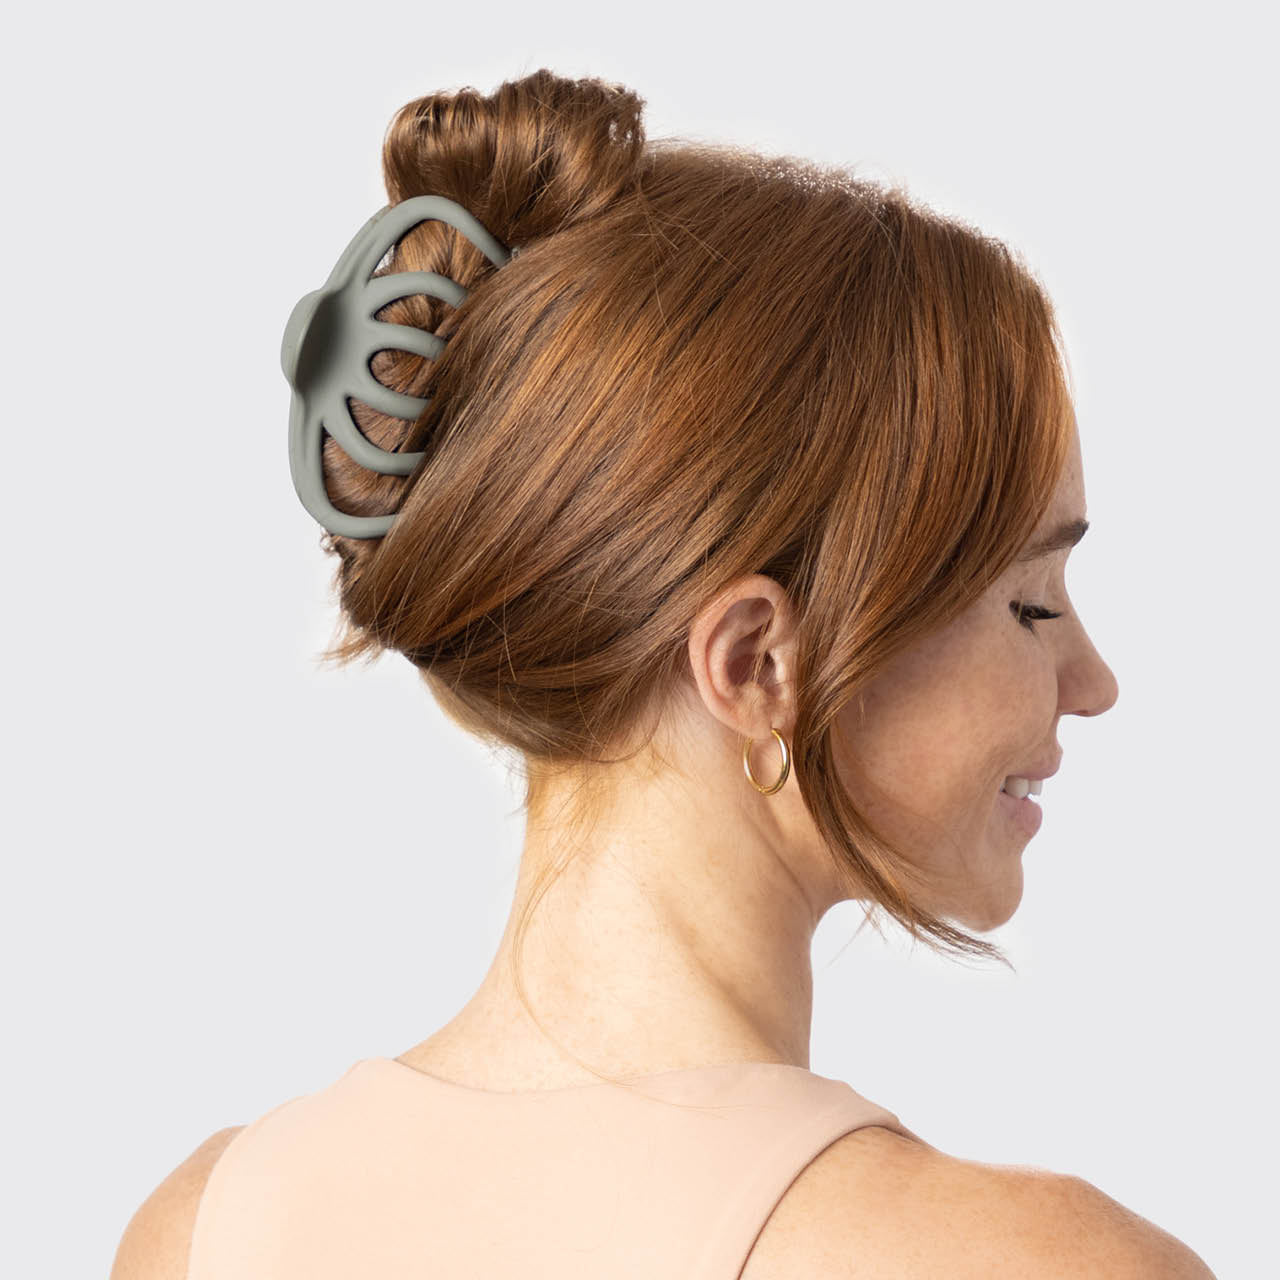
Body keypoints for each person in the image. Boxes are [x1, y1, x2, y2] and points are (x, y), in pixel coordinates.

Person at [110, 68, 1216, 1279]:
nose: (1092, 679)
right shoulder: (1034, 1262)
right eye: (1029, 602)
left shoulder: (200, 1228)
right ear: (753, 661)